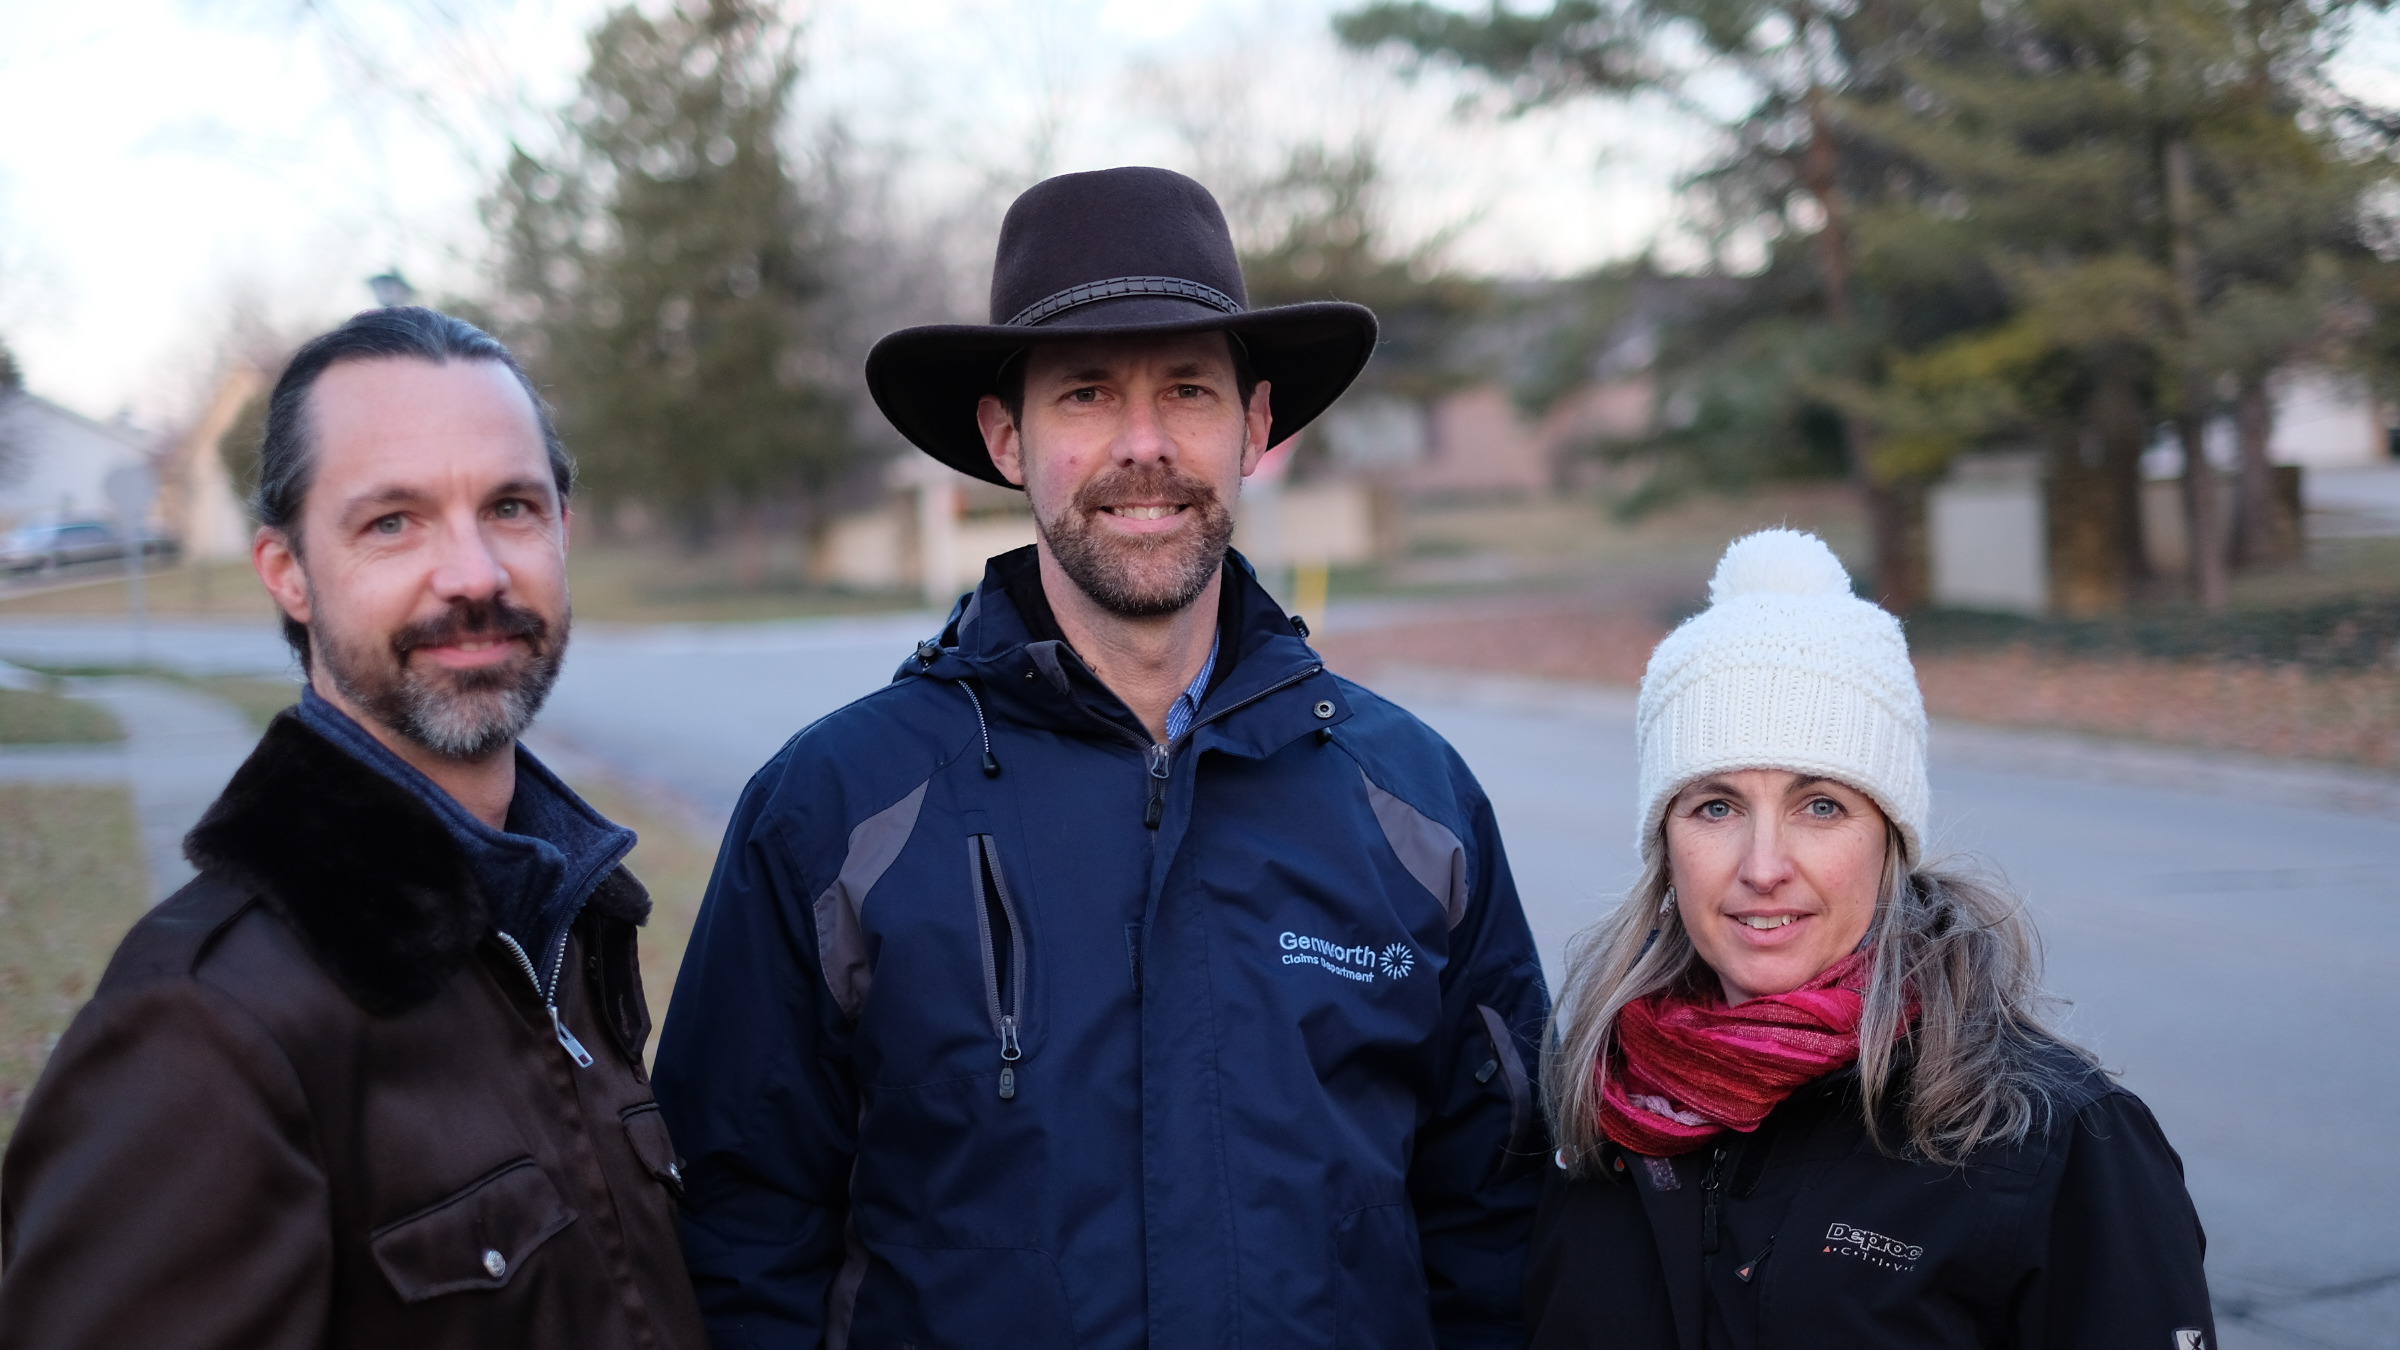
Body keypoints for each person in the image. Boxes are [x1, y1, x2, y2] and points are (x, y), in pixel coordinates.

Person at [653, 166, 1549, 1349]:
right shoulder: (832, 812)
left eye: (1188, 389)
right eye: (1085, 394)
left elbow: (1500, 1236)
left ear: (1256, 427)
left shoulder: (1417, 806)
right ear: (1006, 438)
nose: (1144, 445)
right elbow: (738, 1240)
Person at [0, 308, 706, 1350]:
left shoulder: (558, 925)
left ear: (562, 527)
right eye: (393, 522)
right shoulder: (200, 1031)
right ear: (287, 570)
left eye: (510, 507)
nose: (474, 573)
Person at [1522, 529, 2215, 1349]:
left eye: (1820, 806)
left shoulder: (2048, 1139)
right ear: (1666, 844)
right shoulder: (1603, 1098)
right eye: (1716, 806)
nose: (1764, 866)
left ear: (1889, 839)